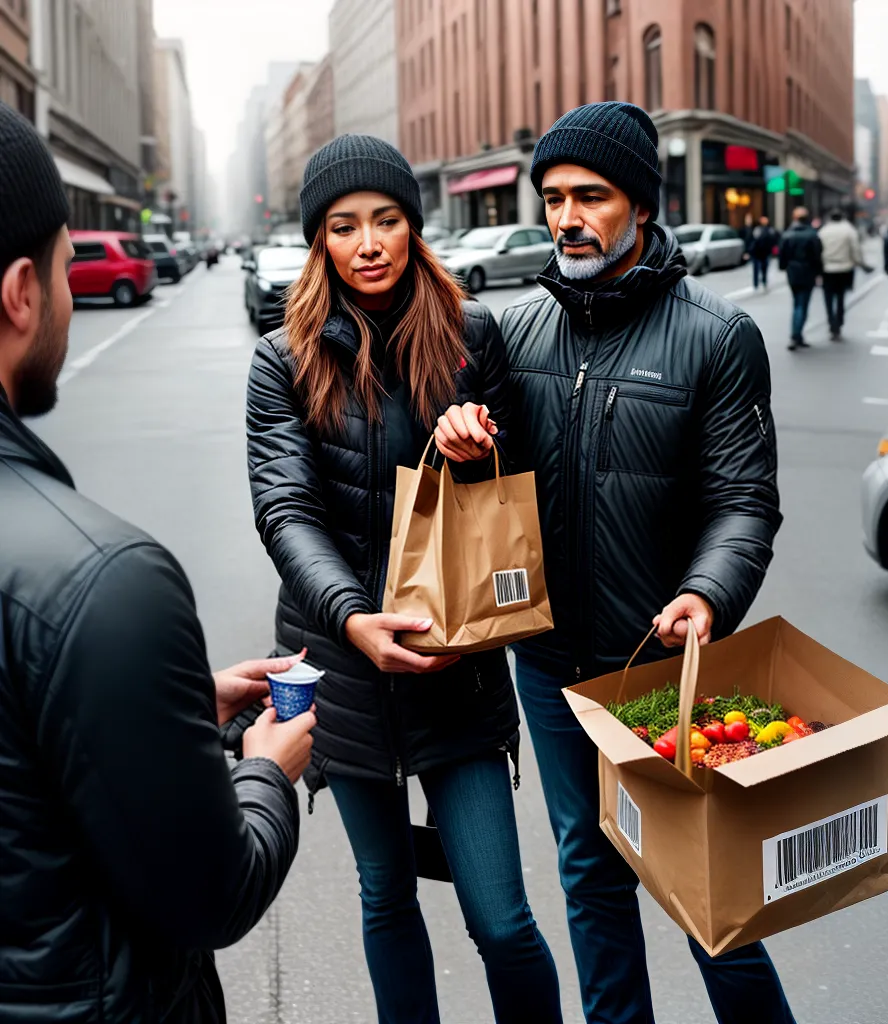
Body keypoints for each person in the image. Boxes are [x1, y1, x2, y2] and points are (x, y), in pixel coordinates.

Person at [435, 102, 789, 1024]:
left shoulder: (716, 337)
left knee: (703, 894)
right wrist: (460, 435)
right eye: (552, 198)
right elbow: (479, 469)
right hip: (549, 664)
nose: (566, 217)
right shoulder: (512, 332)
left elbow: (745, 501)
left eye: (589, 195)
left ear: (639, 201)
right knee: (589, 874)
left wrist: (708, 593)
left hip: (659, 668)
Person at [0, 101, 314, 1023]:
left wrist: (163, 713)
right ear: (22, 292)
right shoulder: (104, 582)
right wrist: (267, 767)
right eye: (67, 267)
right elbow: (209, 895)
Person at [245, 133, 561, 1024]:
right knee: (386, 899)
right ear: (320, 244)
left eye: (387, 220)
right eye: (344, 227)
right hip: (339, 676)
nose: (370, 242)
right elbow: (286, 513)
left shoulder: (472, 338)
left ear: (414, 230)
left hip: (454, 664)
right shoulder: (284, 360)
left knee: (501, 920)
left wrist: (477, 445)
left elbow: (519, 493)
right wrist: (350, 620)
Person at [778, 206, 823, 349]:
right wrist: (818, 273)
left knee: (797, 302)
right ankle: (796, 335)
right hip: (807, 273)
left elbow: (782, 256)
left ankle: (797, 335)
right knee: (802, 305)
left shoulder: (787, 234)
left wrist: (785, 266)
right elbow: (817, 256)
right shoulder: (812, 235)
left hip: (793, 272)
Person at [817, 208, 862, 339]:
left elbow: (818, 249)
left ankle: (831, 322)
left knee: (828, 298)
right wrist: (858, 262)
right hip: (844, 268)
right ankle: (839, 322)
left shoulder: (823, 231)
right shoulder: (849, 230)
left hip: (827, 269)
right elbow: (855, 249)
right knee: (841, 297)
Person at [745, 214, 779, 291]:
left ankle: (764, 281)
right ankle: (756, 283)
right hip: (757, 253)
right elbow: (750, 240)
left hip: (766, 252)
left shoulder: (770, 230)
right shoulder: (756, 229)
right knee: (756, 269)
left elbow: (775, 239)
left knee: (764, 268)